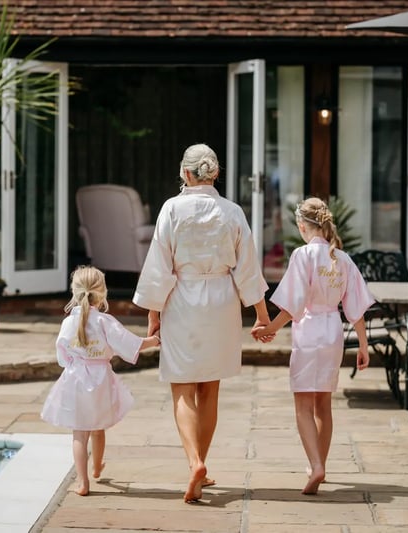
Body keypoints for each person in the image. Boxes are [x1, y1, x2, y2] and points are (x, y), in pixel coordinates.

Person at [133, 143, 272, 503]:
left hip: (182, 300)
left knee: (182, 386)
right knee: (210, 389)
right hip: (222, 300)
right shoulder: (232, 211)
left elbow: (159, 266)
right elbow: (247, 267)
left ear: (186, 173)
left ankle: (195, 462)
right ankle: (202, 465)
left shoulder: (171, 209)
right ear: (215, 174)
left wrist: (153, 315)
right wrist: (261, 315)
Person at [253, 197, 374, 495]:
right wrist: (363, 344)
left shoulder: (303, 255)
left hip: (308, 332)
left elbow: (293, 304)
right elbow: (355, 306)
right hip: (333, 331)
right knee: (324, 404)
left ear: (302, 226)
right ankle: (320, 464)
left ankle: (315, 465)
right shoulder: (342, 259)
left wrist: (269, 328)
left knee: (303, 405)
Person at [40, 265, 161, 496]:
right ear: (102, 292)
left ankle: (83, 482)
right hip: (101, 378)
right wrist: (154, 340)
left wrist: (74, 363)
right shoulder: (105, 321)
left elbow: (62, 355)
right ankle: (97, 467)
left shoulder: (68, 323)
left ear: (75, 291)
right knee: (98, 425)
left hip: (75, 379)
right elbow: (129, 343)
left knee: (79, 432)